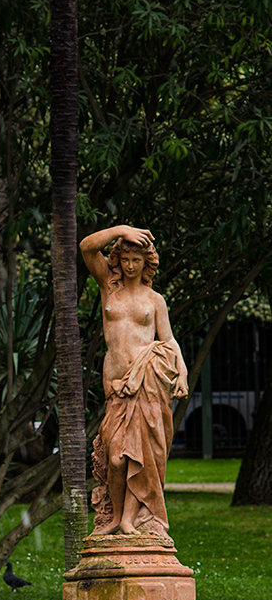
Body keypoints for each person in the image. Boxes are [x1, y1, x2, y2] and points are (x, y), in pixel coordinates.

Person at [80, 225, 188, 536]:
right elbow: (87, 248)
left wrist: (180, 371)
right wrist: (120, 230)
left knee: (140, 457)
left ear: (146, 264)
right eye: (124, 259)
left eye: (136, 260)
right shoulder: (108, 288)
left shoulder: (155, 300)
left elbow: (168, 341)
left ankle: (128, 520)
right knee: (115, 459)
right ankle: (114, 517)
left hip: (148, 384)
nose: (129, 266)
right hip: (116, 387)